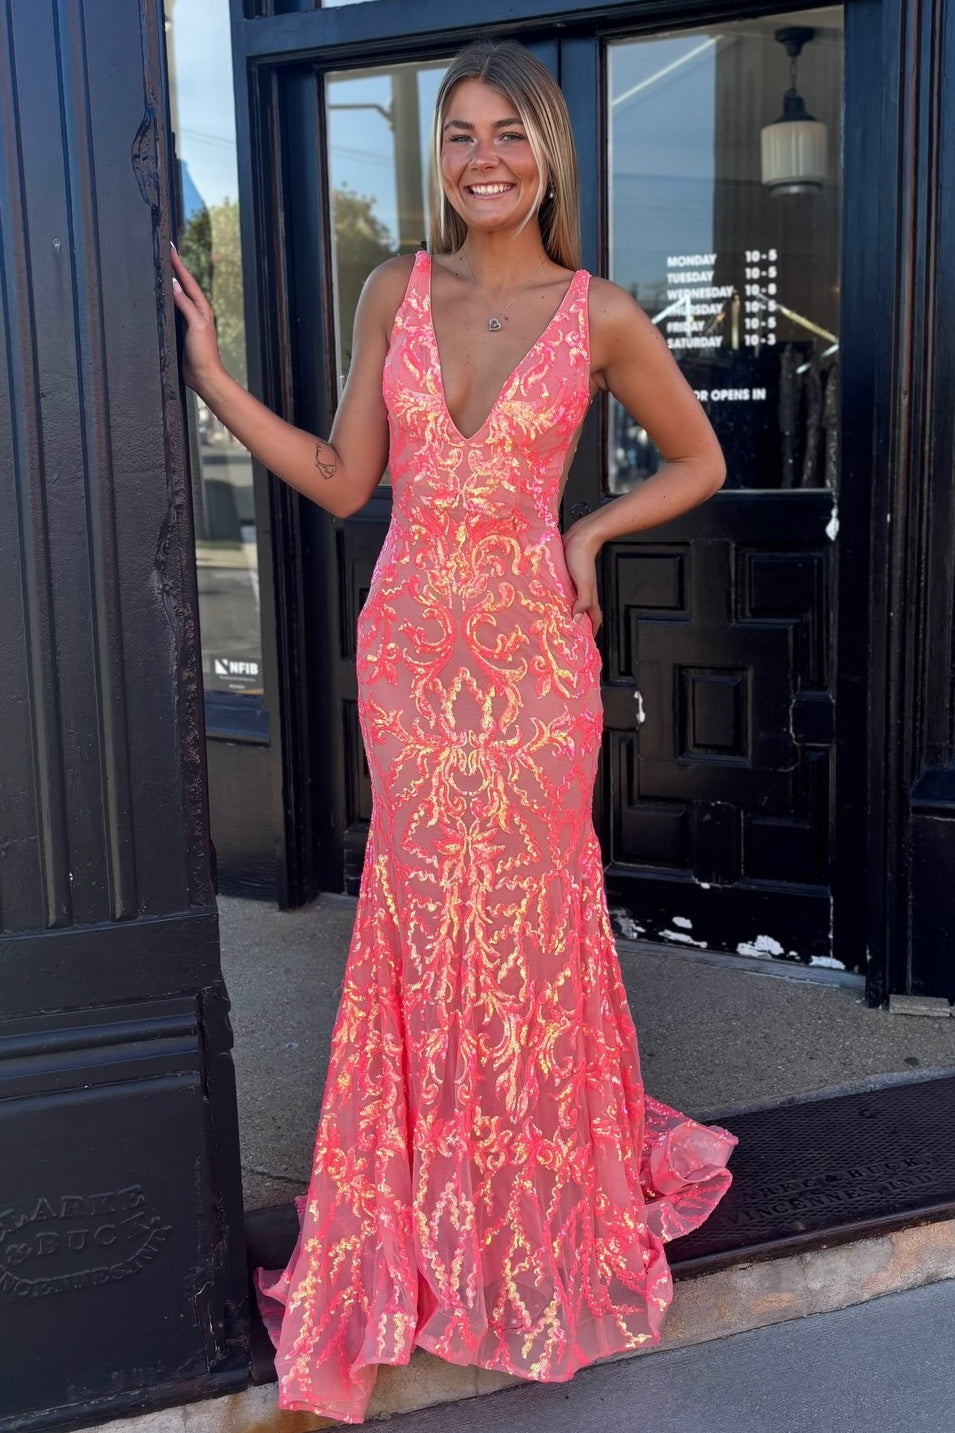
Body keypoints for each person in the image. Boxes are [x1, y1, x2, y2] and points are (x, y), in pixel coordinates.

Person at [171, 37, 737, 1427]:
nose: (485, 158)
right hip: (414, 664)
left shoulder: (599, 314)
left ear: (549, 153)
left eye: (509, 133)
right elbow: (341, 476)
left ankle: (532, 1221)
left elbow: (701, 457)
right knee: (423, 927)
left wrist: (590, 531)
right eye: (460, 135)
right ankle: (421, 1213)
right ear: (439, 158)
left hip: (536, 670)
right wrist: (212, 378)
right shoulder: (395, 289)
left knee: (532, 927)